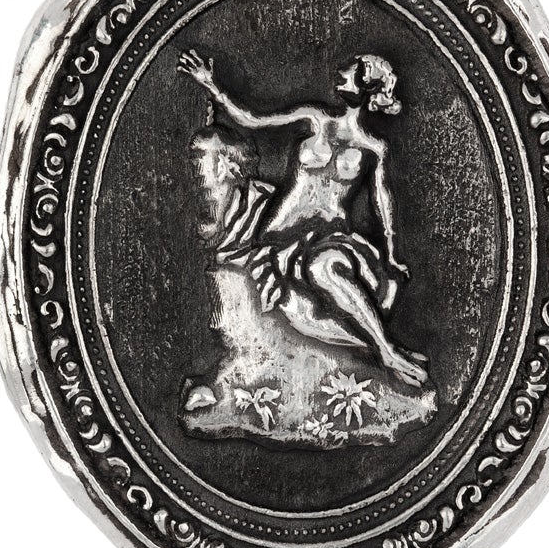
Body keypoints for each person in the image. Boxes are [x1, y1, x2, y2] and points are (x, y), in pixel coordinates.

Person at [177, 48, 427, 386]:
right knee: (313, 277)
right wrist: (213, 87)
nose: (340, 72)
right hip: (282, 237)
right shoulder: (315, 118)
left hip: (331, 238)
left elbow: (383, 205)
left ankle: (386, 352)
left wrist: (392, 257)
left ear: (365, 86)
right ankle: (384, 349)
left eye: (350, 71)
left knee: (324, 267)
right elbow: (253, 120)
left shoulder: (373, 148)